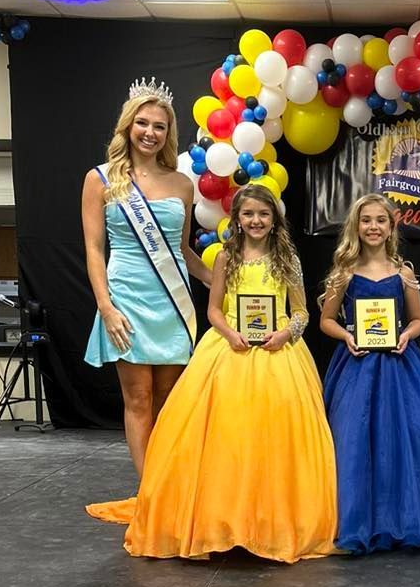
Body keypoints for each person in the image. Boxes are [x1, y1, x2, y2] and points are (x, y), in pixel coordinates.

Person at [87, 186, 337, 564]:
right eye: (248, 214)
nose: (256, 221)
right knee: (228, 436)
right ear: (236, 219)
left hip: (277, 352)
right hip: (230, 348)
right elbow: (215, 311)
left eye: (263, 215)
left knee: (274, 436)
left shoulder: (287, 258)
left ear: (274, 219)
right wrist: (229, 333)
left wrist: (286, 333)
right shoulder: (225, 257)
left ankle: (269, 518)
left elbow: (301, 311)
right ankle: (223, 517)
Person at [320, 193, 420, 554]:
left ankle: (406, 517)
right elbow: (326, 320)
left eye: (380, 221)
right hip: (356, 366)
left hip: (401, 367)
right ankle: (358, 521)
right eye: (366, 220)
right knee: (355, 440)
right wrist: (347, 335)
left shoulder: (403, 273)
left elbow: (419, 321)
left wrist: (405, 334)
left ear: (391, 227)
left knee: (408, 438)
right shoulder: (344, 272)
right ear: (356, 226)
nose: (373, 227)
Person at [82, 77, 210, 477]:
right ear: (127, 126)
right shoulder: (100, 179)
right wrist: (105, 307)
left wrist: (220, 281)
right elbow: (94, 250)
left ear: (169, 133)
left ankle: (168, 483)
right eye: (143, 123)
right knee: (138, 399)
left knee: (169, 399)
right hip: (126, 298)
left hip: (171, 300)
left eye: (159, 126)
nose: (150, 132)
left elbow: (183, 249)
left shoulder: (182, 184)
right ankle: (149, 492)